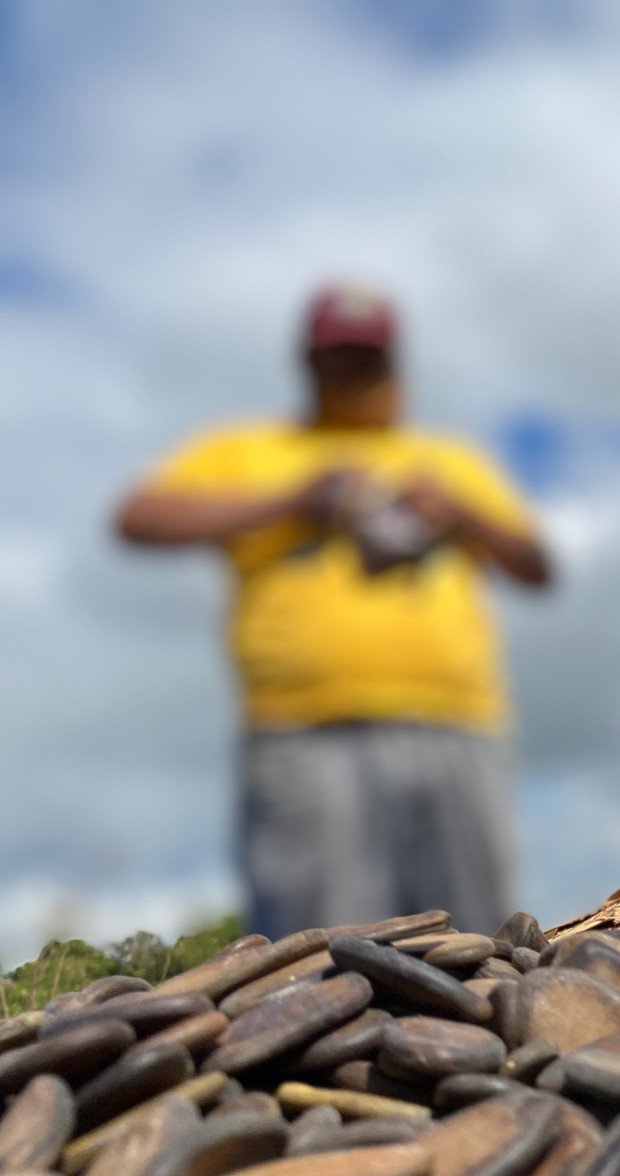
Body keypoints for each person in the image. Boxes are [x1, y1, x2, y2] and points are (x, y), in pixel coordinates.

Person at [116, 282, 551, 938]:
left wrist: (458, 512)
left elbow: (535, 565)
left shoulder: (450, 461)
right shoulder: (249, 450)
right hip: (305, 734)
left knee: (478, 947)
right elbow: (138, 517)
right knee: (315, 957)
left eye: (364, 359)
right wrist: (292, 501)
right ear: (309, 364)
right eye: (336, 358)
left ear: (393, 364)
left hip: (458, 725)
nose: (350, 374)